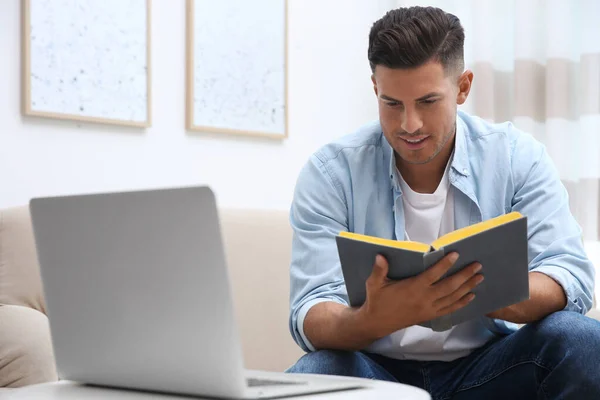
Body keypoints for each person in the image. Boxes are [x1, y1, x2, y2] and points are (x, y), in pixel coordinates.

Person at [286, 5, 600, 399]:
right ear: (375, 89)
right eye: (392, 103)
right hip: (375, 372)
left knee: (583, 341)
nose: (409, 125)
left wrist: (481, 293)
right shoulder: (331, 173)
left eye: (428, 101)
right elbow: (311, 310)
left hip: (492, 366)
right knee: (316, 371)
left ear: (463, 87)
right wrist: (374, 317)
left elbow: (569, 275)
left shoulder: (517, 157)